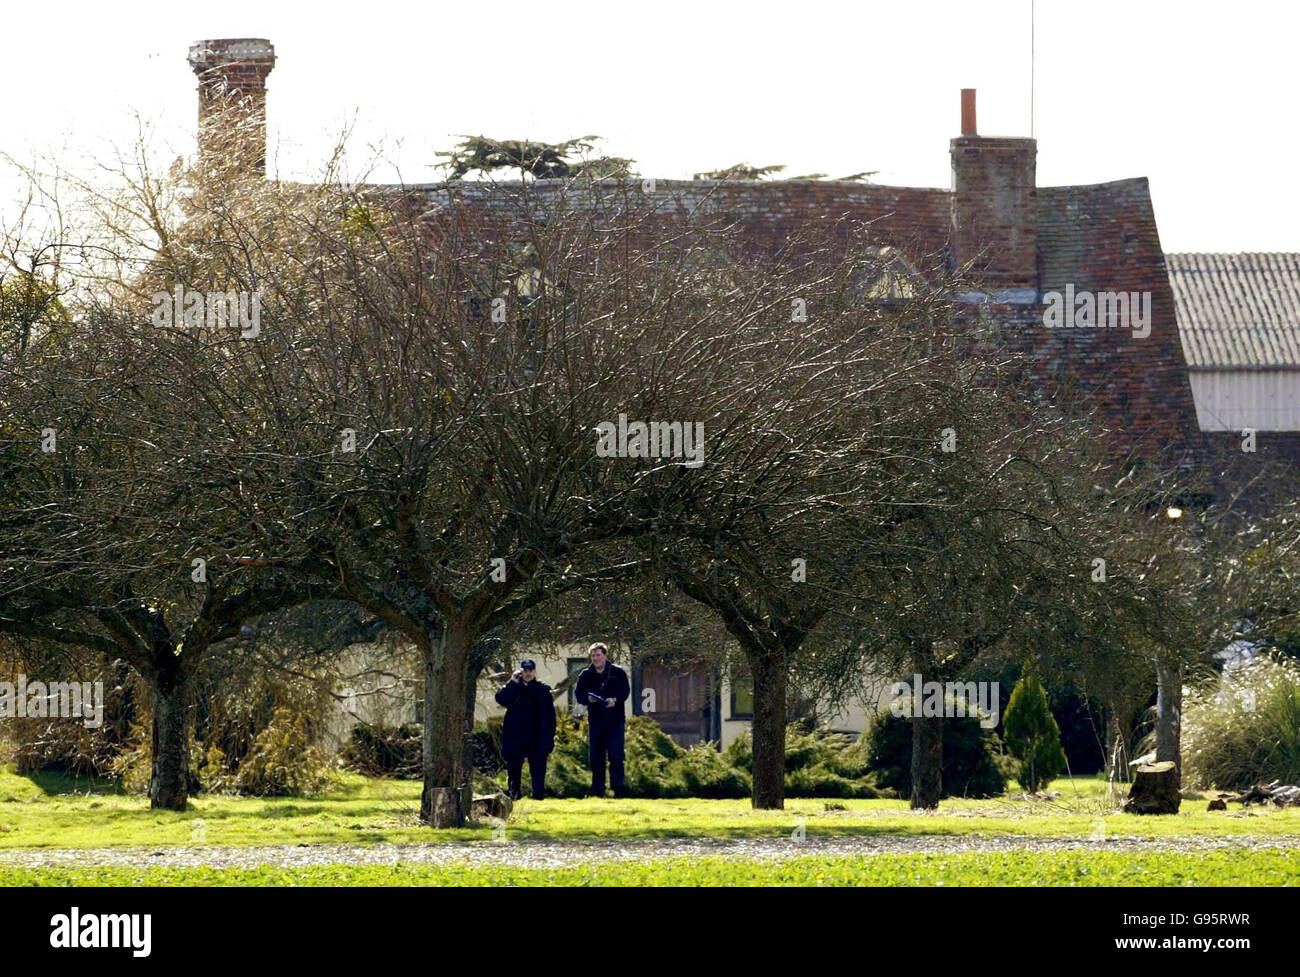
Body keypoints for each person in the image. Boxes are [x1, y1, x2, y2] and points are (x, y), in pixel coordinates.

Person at [573, 642, 630, 797]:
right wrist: (588, 699)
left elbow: (625, 691)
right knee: (596, 757)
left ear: (605, 655)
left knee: (616, 756)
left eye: (598, 655)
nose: (596, 658)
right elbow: (579, 695)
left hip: (615, 721)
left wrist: (615, 700)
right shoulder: (585, 675)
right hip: (596, 722)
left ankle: (618, 789)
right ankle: (598, 790)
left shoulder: (618, 672)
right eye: (593, 656)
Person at [494, 659, 556, 801]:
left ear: (534, 671)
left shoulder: (543, 690)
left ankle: (538, 796)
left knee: (538, 770)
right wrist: (512, 682)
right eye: (525, 671)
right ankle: (514, 795)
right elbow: (501, 699)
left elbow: (550, 717)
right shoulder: (514, 688)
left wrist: (550, 737)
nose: (528, 674)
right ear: (521, 672)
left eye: (530, 671)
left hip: (537, 736)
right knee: (514, 769)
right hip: (516, 735)